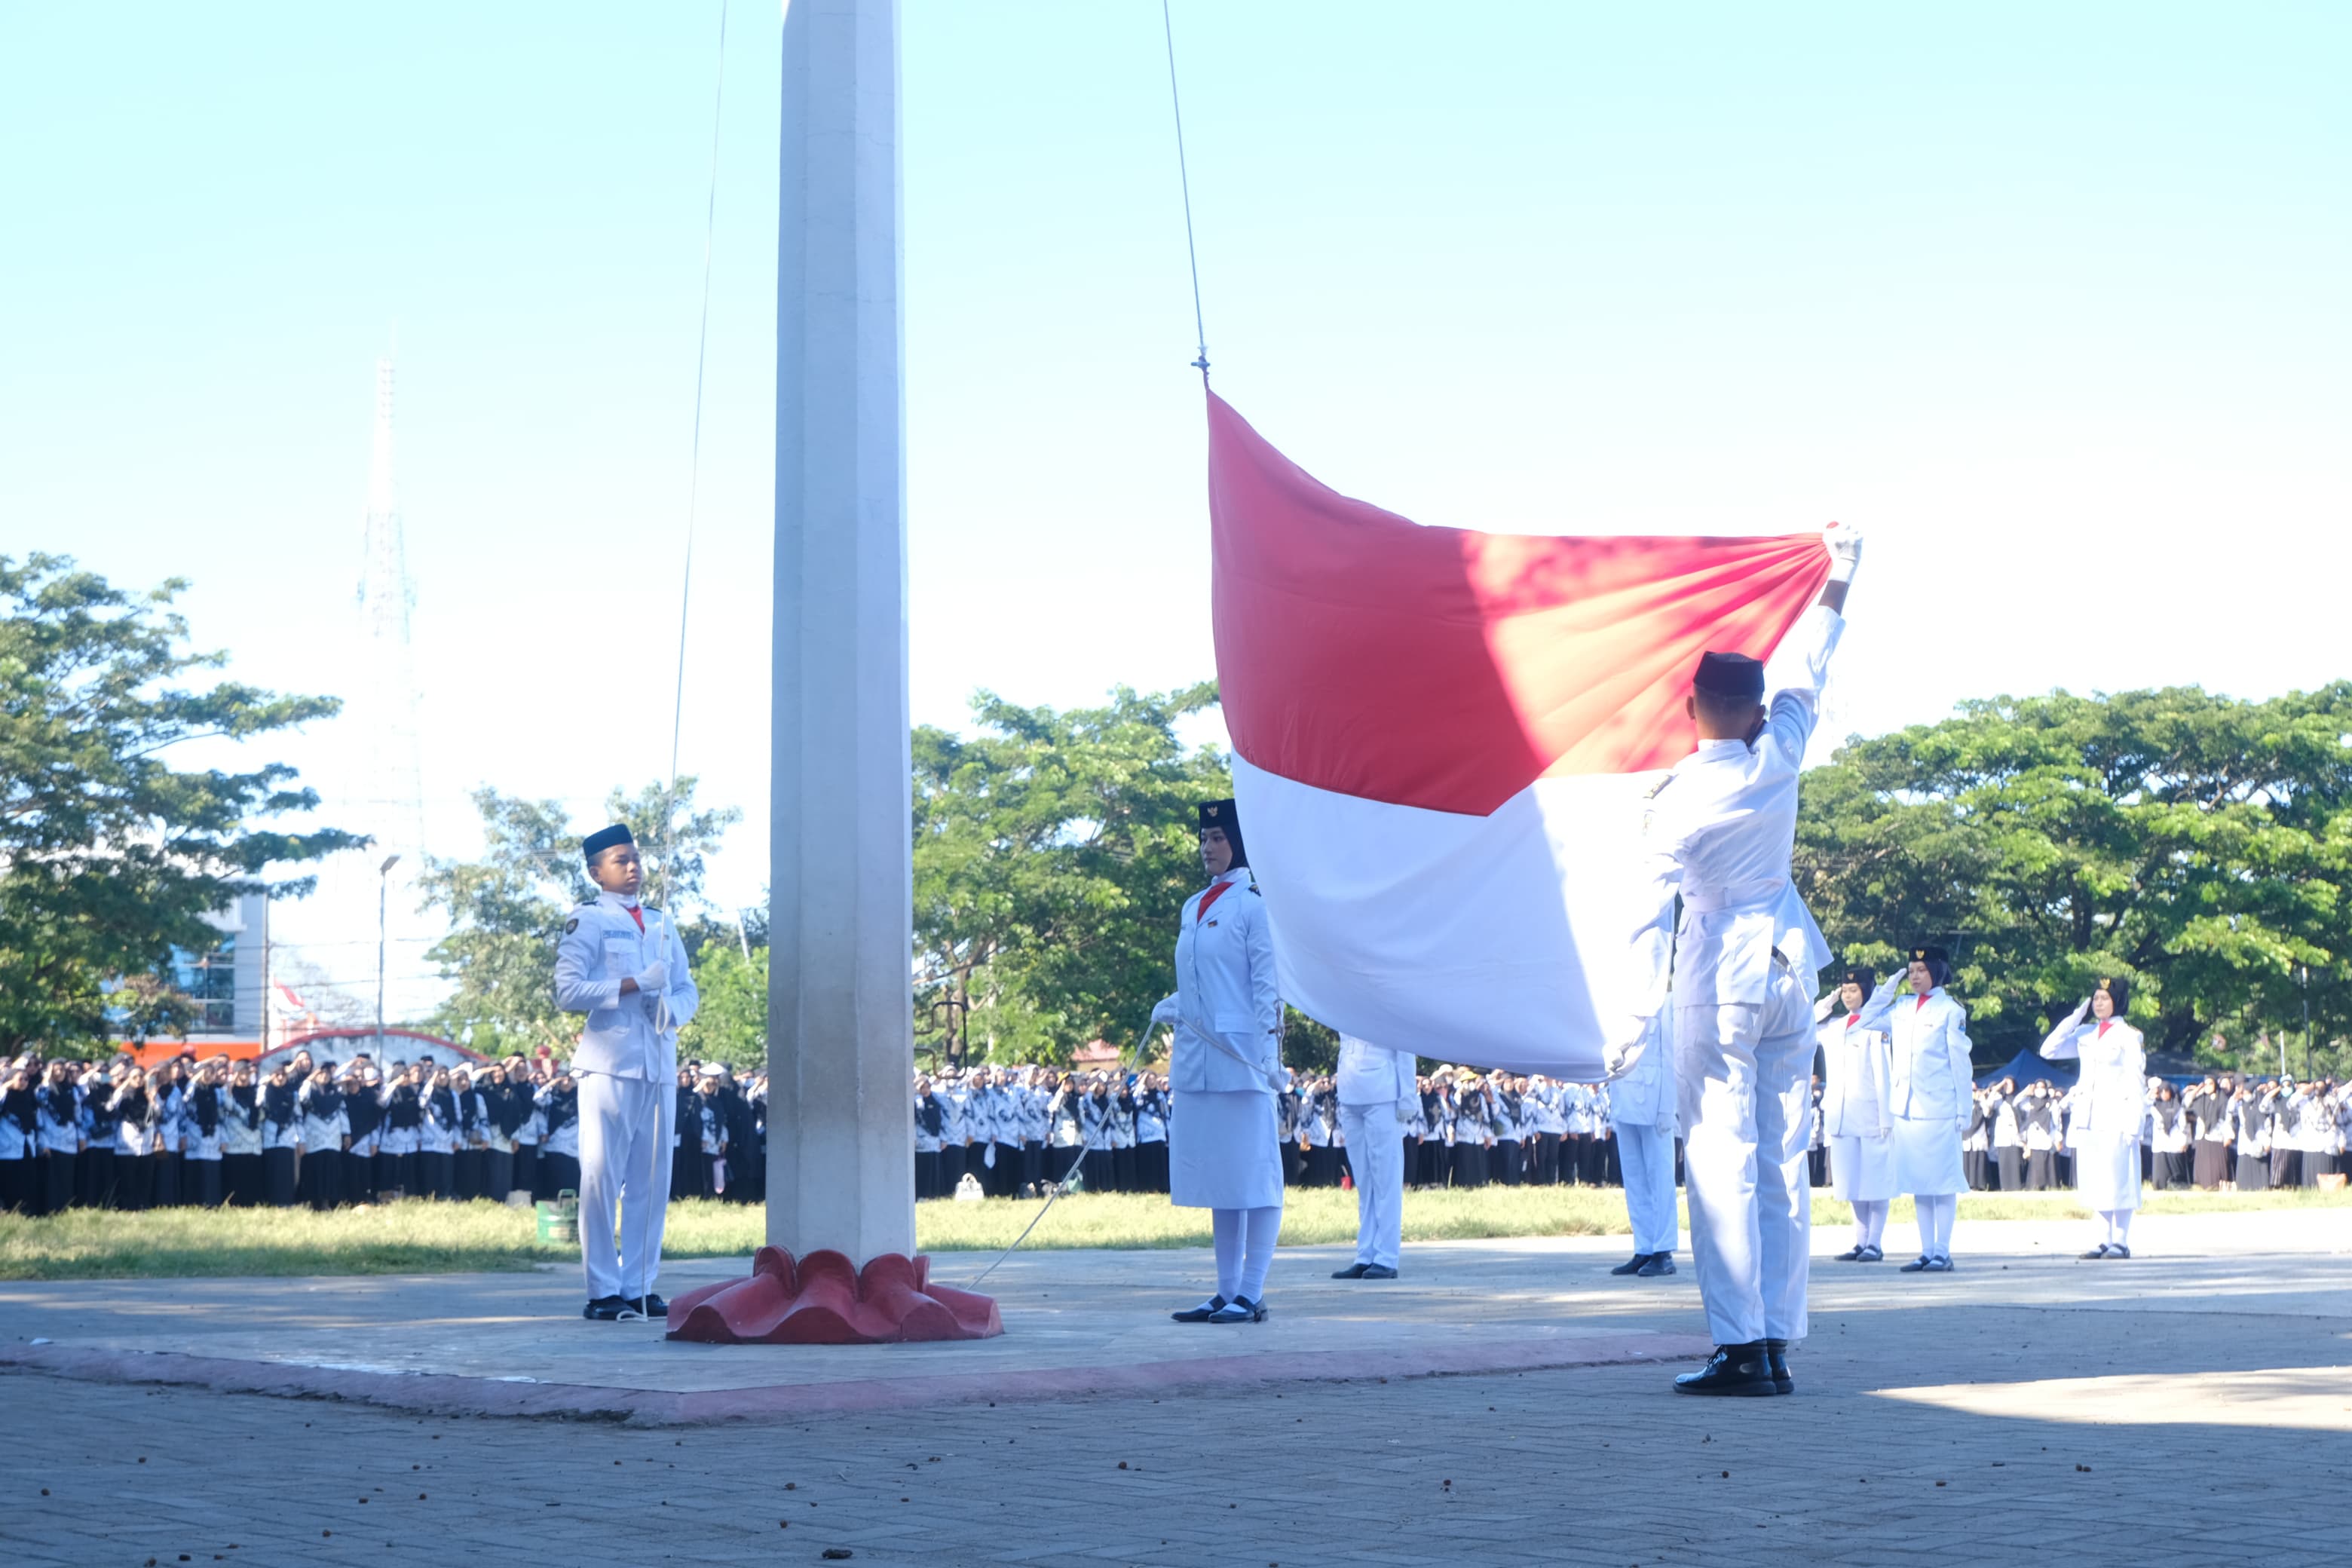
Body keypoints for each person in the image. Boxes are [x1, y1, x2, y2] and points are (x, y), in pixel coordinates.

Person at [1636, 522, 1860, 1397]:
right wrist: (1842, 570)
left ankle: (1737, 1345)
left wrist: (1621, 1010)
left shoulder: (1679, 796)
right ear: (1757, 708)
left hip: (1718, 974)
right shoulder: (1784, 751)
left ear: (1692, 709)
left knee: (1719, 1157)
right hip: (1786, 971)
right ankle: (1774, 1339)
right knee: (1780, 1159)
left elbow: (1646, 911)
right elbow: (1816, 655)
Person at [554, 822, 698, 1321]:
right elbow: (568, 991)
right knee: (601, 1177)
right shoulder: (588, 920)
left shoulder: (661, 922)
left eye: (635, 857)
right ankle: (603, 1291)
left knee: (652, 1182)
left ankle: (639, 1285)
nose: (633, 866)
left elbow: (687, 988)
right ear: (597, 872)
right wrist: (635, 983)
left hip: (658, 1063)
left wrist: (670, 1008)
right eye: (620, 860)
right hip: (609, 1065)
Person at [1156, 798, 1284, 1325]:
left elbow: (1265, 985)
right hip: (1197, 1058)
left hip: (1243, 1060)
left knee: (1256, 1177)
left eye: (1218, 838)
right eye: (1204, 838)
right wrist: (1175, 1004)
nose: (1208, 847)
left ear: (1239, 842)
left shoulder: (1255, 903)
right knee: (1220, 1180)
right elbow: (1203, 981)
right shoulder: (1194, 905)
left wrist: (1271, 1055)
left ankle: (1251, 1292)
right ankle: (1225, 1290)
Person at [1856, 945, 1973, 1272]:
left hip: (1940, 1108)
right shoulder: (1902, 1007)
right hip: (1907, 1108)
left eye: (1921, 970)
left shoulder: (1951, 1011)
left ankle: (1943, 1251)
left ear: (1936, 971)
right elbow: (1865, 1020)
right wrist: (1886, 989)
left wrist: (1965, 1108)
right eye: (1911, 970)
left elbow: (1960, 1064)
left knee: (1943, 1181)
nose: (1914, 976)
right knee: (1919, 1183)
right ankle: (1925, 1251)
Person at [2039, 977, 2148, 1257]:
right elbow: (2048, 1050)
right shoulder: (2084, 1034)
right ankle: (2103, 1239)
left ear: (2118, 1001)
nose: (2099, 1003)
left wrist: (2135, 1123)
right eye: (2096, 998)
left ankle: (2121, 1242)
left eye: (2104, 998)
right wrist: (2077, 1015)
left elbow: (2137, 1082)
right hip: (2088, 1115)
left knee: (2120, 1178)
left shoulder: (2129, 1036)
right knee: (2096, 1178)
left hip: (2117, 1115)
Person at [1817, 965, 1896, 1262]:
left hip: (1872, 1114)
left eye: (1854, 990)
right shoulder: (1836, 1027)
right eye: (1845, 990)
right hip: (1842, 1115)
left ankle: (1875, 1243)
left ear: (1866, 991)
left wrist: (1887, 1117)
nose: (1848, 995)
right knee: (1852, 1183)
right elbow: (1805, 1026)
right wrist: (1828, 1003)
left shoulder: (1876, 1026)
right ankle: (1860, 1242)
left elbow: (1883, 1072)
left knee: (1876, 1181)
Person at [1331, 1035, 1415, 1280]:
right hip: (1349, 1092)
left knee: (1386, 1180)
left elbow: (1405, 1045)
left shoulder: (1386, 997)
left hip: (1382, 1092)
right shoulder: (1340, 1002)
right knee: (1364, 1183)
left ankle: (1387, 1257)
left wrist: (1408, 1096)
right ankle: (1365, 1254)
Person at [1607, 1008, 1680, 1277]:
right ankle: (1644, 1247)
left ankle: (1664, 1251)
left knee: (1660, 1179)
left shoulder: (1665, 1004)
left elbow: (1672, 1057)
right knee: (1635, 1180)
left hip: (1654, 1103)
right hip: (1625, 1099)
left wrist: (1667, 1108)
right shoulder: (1617, 1006)